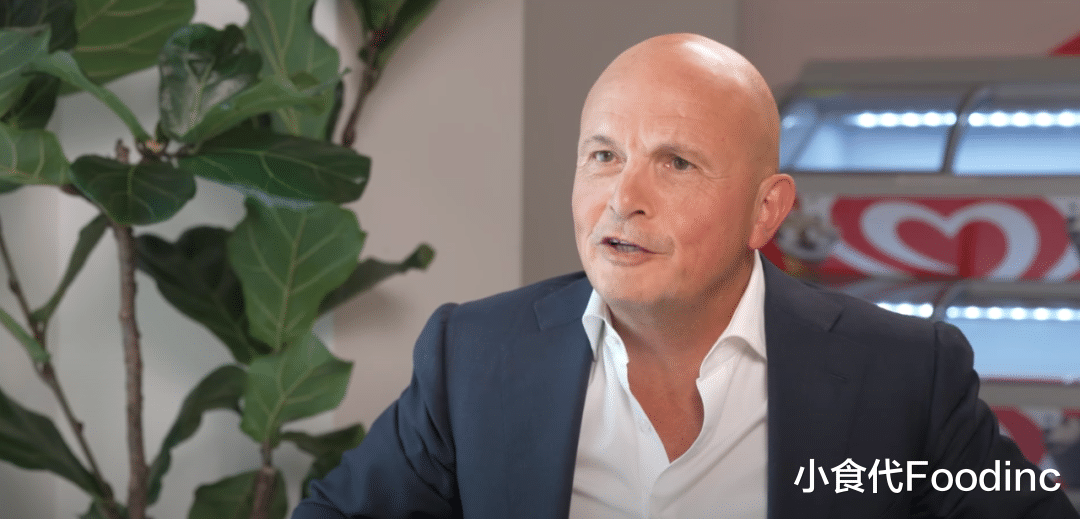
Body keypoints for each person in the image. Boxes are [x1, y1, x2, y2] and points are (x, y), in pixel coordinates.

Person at [292, 33, 1079, 518]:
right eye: (603, 155)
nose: (623, 198)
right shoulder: (473, 354)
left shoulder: (904, 374)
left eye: (676, 163)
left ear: (766, 211)